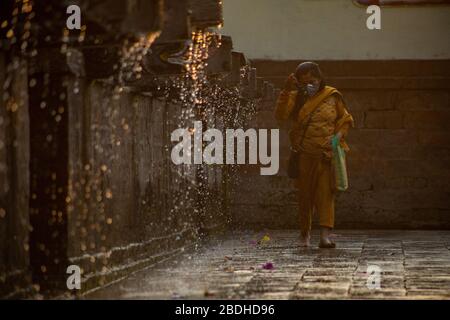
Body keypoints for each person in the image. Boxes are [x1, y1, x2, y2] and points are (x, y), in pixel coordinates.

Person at [275, 62, 354, 248]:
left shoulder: (332, 96)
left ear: (319, 78)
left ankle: (325, 236)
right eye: (304, 83)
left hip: (326, 154)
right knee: (305, 196)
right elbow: (281, 115)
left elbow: (345, 120)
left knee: (326, 195)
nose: (310, 85)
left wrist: (337, 138)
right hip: (304, 153)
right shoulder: (295, 97)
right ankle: (305, 234)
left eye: (312, 81)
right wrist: (286, 90)